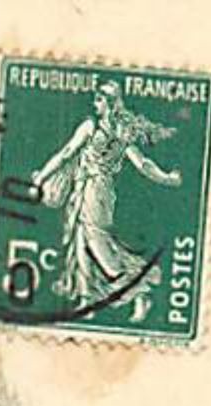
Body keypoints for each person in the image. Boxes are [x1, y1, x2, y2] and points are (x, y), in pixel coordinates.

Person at [32, 81, 184, 324]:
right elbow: (143, 164)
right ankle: (86, 300)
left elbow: (66, 153)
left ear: (110, 103)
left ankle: (138, 290)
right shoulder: (122, 134)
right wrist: (166, 178)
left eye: (100, 99)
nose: (95, 104)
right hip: (93, 190)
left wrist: (41, 177)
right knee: (80, 241)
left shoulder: (91, 127)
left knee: (96, 243)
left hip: (95, 191)